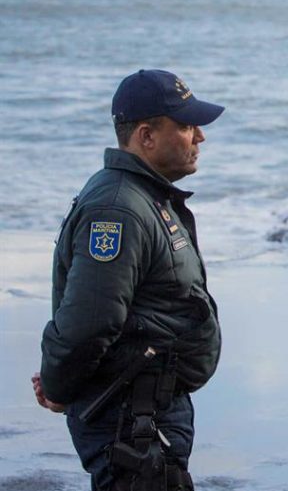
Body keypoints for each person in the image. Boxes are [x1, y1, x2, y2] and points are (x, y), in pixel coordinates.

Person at [34, 69, 225, 491]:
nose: (200, 138)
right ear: (146, 136)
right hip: (131, 422)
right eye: (187, 126)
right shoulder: (119, 208)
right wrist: (57, 383)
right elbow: (90, 320)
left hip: (149, 414)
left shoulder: (145, 197)